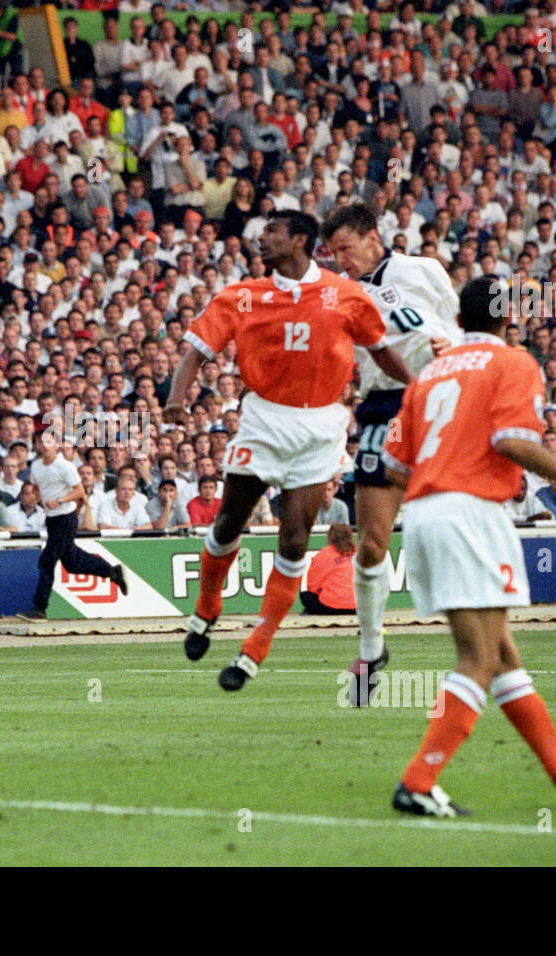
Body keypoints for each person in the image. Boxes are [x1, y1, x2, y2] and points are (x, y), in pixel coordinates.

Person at [382, 275, 556, 817]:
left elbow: (393, 467)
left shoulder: (431, 373)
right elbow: (509, 442)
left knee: (502, 653)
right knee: (478, 656)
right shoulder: (512, 362)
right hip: (471, 511)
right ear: (508, 319)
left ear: (458, 319)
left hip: (424, 512)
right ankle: (418, 779)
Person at [165, 209, 411, 690]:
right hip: (264, 420)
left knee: (295, 538)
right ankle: (207, 606)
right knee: (229, 521)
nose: (261, 238)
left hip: (321, 425)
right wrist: (176, 399)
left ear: (299, 240)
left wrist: (420, 383)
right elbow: (195, 353)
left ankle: (256, 647)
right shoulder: (241, 296)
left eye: (272, 231)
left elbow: (380, 349)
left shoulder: (345, 295)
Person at [320, 203, 461, 706]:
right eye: (333, 253)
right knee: (373, 543)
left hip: (436, 401)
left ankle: (485, 647)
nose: (341, 260)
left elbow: (454, 326)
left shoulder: (422, 269)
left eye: (346, 249)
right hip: (382, 407)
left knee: (449, 528)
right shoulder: (339, 293)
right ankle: (372, 649)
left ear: (372, 237)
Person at [21, 428, 127, 620]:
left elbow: (79, 491)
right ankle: (112, 572)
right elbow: (39, 486)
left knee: (47, 560)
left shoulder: (64, 466)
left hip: (65, 518)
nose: (45, 446)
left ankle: (39, 607)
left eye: (48, 442)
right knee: (73, 562)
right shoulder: (36, 466)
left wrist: (59, 500)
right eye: (41, 442)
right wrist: (38, 498)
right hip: (51, 518)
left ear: (56, 444)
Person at [302, 523, 357, 614]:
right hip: (358, 606)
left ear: (330, 537)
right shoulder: (359, 553)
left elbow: (312, 586)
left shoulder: (323, 554)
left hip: (331, 607)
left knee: (305, 595)